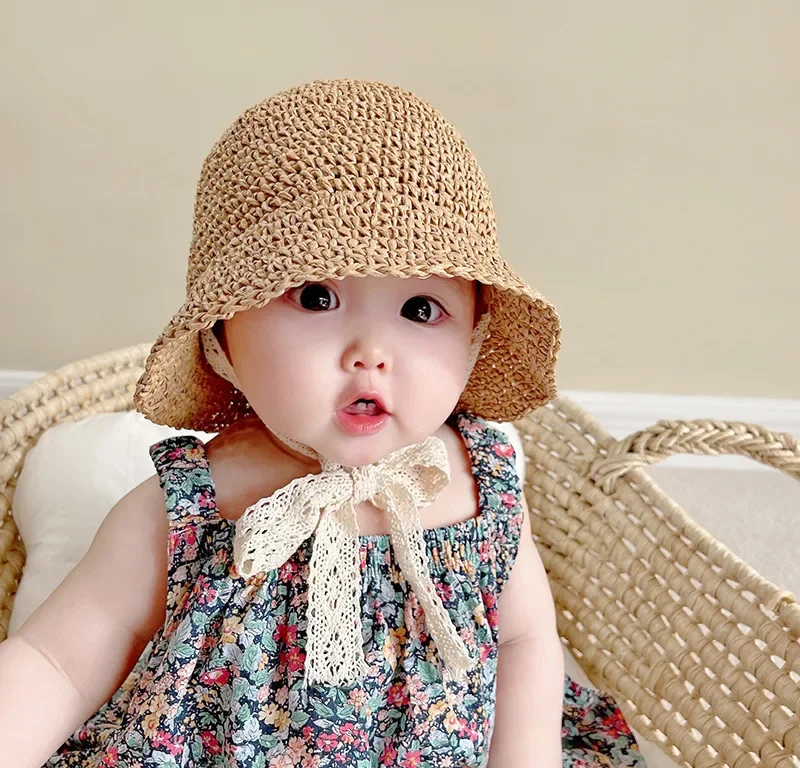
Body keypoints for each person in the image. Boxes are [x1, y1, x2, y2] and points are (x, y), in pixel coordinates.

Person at [0, 79, 645, 767]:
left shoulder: (480, 487)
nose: (371, 351)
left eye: (421, 309)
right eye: (317, 297)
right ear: (223, 342)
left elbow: (524, 643)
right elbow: (58, 660)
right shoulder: (193, 505)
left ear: (474, 342)